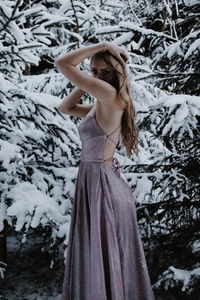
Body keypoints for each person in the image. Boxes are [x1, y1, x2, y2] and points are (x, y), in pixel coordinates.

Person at [54, 41, 155, 300]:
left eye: (103, 71)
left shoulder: (109, 96)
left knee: (101, 250)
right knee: (98, 251)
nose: (97, 77)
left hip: (102, 185)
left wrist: (104, 44)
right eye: (93, 72)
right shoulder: (105, 101)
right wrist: (89, 78)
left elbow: (63, 63)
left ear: (116, 72)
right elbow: (64, 109)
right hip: (99, 182)